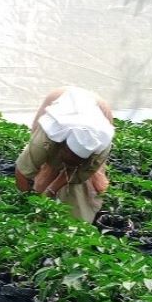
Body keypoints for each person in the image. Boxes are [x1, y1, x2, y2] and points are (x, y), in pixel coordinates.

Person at [15, 87, 114, 223]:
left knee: (77, 199)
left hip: (99, 110)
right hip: (58, 105)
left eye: (75, 162)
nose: (67, 165)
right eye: (65, 160)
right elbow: (22, 171)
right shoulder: (45, 138)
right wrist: (28, 203)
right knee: (43, 174)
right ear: (60, 147)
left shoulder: (100, 147)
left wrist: (50, 191)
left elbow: (76, 173)